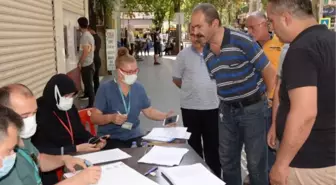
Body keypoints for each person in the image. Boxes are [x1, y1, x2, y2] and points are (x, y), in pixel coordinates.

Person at [191, 3, 276, 185]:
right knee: (228, 162)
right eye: (193, 27)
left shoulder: (242, 40)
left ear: (214, 24)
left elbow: (270, 72)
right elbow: (220, 80)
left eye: (199, 26)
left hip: (253, 109)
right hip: (226, 112)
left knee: (255, 165)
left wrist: (266, 101)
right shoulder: (205, 51)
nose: (195, 31)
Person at [267, 0, 336, 184]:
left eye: (271, 21)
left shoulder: (300, 50)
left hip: (308, 167)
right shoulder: (331, 41)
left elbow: (304, 113)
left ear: (286, 18)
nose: (271, 28)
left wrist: (281, 164)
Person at [0, 84, 101, 185]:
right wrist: (77, 181)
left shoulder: (23, 138)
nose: (32, 120)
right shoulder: (4, 159)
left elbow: (38, 159)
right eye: (25, 116)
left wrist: (63, 159)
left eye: (34, 113)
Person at [91, 47, 175, 149]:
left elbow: (149, 111)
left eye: (135, 71)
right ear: (118, 71)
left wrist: (165, 116)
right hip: (111, 138)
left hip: (134, 135)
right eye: (129, 72)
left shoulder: (138, 88)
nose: (133, 75)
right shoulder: (105, 89)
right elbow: (94, 118)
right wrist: (111, 118)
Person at [31, 74, 108, 185]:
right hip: (48, 165)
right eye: (66, 96)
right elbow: (38, 150)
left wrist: (94, 140)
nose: (69, 100)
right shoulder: (38, 111)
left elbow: (79, 132)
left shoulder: (68, 107)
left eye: (72, 96)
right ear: (55, 93)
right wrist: (74, 148)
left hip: (72, 158)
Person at [172, 26, 221, 177]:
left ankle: (214, 177)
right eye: (191, 35)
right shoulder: (183, 55)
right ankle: (196, 178)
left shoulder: (216, 53)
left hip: (213, 108)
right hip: (190, 108)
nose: (194, 38)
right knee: (194, 148)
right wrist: (191, 89)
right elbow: (176, 79)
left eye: (198, 34)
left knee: (213, 147)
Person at [246, 11, 284, 172]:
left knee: (272, 148)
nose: (249, 31)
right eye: (247, 28)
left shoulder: (282, 44)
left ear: (264, 24)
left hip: (273, 107)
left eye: (252, 27)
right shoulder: (247, 46)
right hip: (252, 107)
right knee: (254, 150)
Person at [77, 17, 95, 108]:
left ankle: (91, 104)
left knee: (88, 84)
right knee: (88, 83)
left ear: (80, 25)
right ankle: (89, 98)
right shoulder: (89, 35)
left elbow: (85, 51)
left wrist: (80, 62)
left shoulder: (84, 37)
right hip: (90, 62)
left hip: (86, 63)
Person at [88, 25, 102, 94]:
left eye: (88, 31)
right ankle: (96, 91)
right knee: (95, 77)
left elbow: (94, 49)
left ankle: (96, 92)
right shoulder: (98, 37)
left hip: (94, 59)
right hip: (97, 59)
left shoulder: (93, 38)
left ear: (91, 30)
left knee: (94, 77)